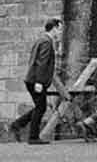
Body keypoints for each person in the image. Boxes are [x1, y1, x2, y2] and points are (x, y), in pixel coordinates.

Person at [9, 17, 62, 145]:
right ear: (54, 29)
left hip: (33, 79)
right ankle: (33, 137)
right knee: (41, 107)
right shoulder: (46, 42)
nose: (60, 32)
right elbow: (41, 63)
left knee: (40, 107)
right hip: (36, 80)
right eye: (59, 29)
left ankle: (17, 125)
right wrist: (38, 82)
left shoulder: (41, 40)